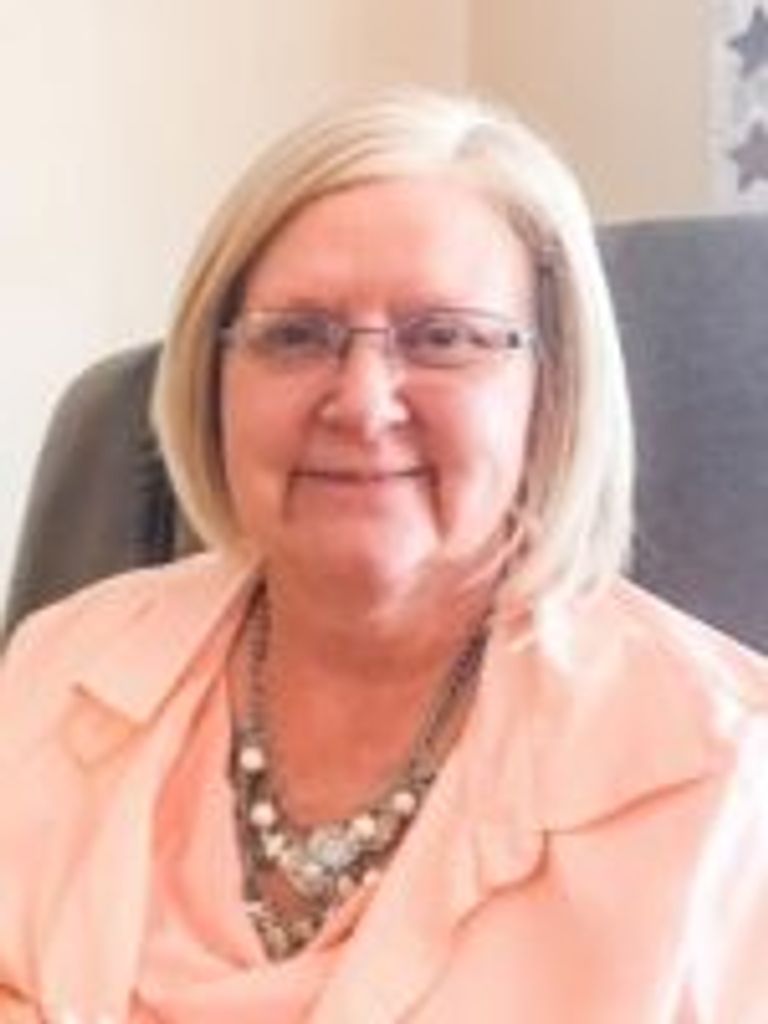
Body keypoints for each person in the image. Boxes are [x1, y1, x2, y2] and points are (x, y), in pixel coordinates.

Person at [1, 86, 767, 1024]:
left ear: (552, 390)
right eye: (296, 336)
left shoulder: (725, 780)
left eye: (443, 338)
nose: (363, 404)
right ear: (213, 379)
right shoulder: (54, 669)